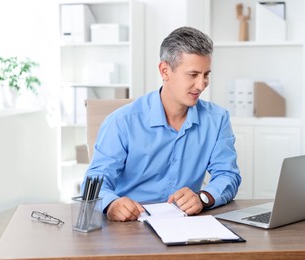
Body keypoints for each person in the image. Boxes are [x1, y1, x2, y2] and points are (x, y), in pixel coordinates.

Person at [83, 26, 241, 222]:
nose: (201, 85)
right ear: (165, 71)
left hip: (185, 224)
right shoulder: (121, 122)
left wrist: (203, 197)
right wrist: (110, 204)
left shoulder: (217, 119)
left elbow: (228, 175)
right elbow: (93, 182)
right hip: (129, 226)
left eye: (206, 74)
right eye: (192, 75)